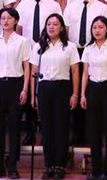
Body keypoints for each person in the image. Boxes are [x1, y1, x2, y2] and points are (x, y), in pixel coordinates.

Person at [30, 14, 80, 180]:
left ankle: (60, 165)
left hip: (62, 87)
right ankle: (49, 165)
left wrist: (75, 94)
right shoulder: (39, 47)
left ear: (62, 28)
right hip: (44, 87)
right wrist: (34, 94)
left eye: (55, 24)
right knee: (46, 128)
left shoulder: (69, 47)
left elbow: (75, 71)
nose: (51, 27)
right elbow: (34, 72)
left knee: (61, 127)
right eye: (49, 24)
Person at [63, 0, 107, 145]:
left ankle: (95, 135)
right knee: (75, 92)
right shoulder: (70, 7)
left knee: (92, 94)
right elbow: (66, 31)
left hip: (95, 51)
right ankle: (77, 133)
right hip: (74, 51)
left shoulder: (102, 8)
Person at [15, 0, 62, 145]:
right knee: (28, 91)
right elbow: (19, 30)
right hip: (26, 52)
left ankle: (46, 132)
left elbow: (57, 28)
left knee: (43, 91)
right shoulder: (23, 5)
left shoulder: (53, 5)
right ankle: (30, 130)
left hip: (47, 52)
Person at [0, 8, 30, 179]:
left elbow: (27, 67)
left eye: (9, 18)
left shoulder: (22, 41)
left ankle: (13, 166)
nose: (5, 21)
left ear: (16, 21)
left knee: (15, 127)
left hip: (15, 84)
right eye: (2, 18)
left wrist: (25, 89)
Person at [80, 16, 107, 180]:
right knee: (93, 130)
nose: (97, 30)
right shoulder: (88, 49)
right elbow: (85, 73)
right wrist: (82, 94)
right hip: (92, 88)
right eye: (94, 27)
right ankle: (95, 168)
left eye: (101, 27)